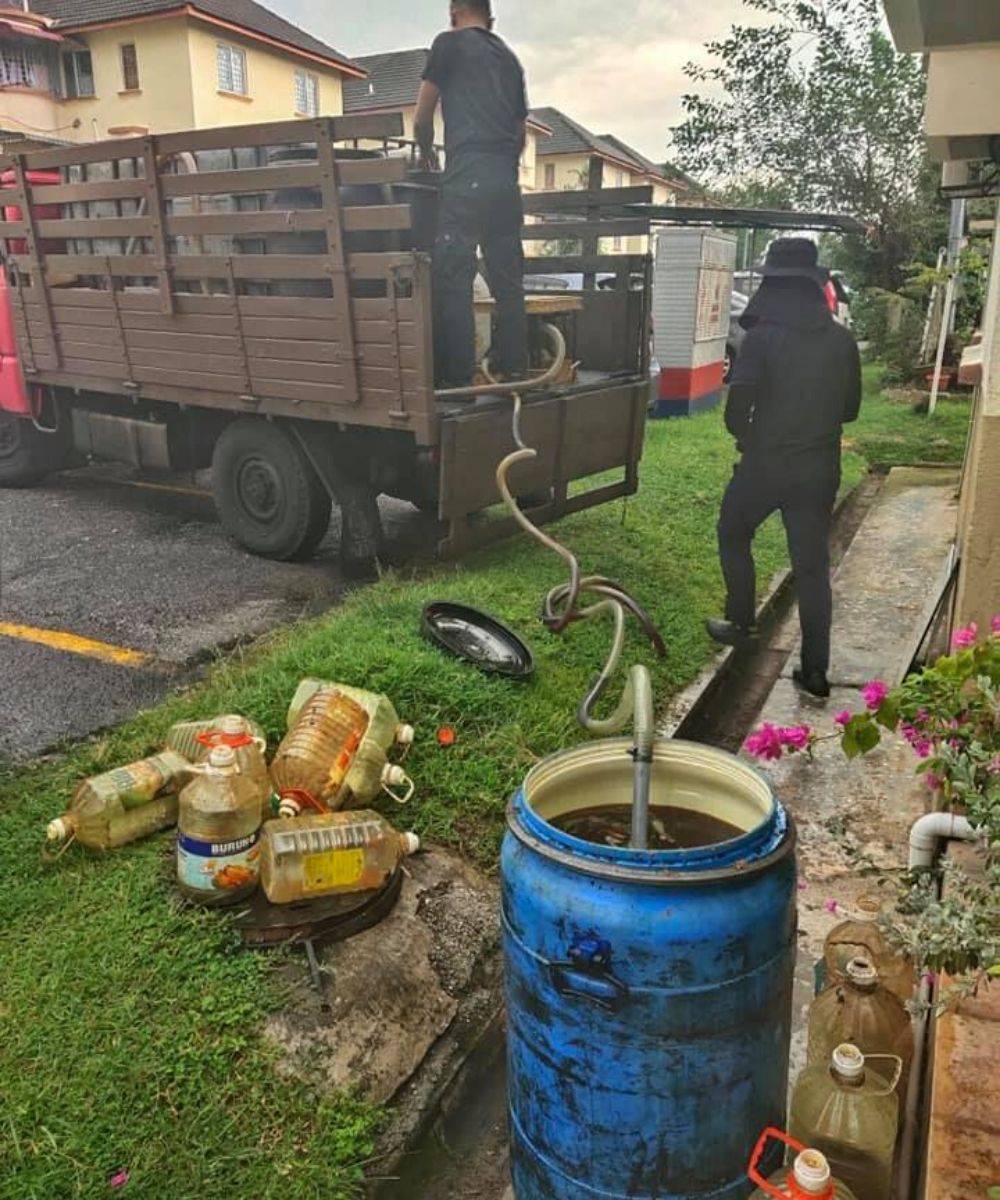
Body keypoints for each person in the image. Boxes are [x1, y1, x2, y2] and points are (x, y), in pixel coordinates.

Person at [707, 238, 862, 699]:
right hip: (818, 470)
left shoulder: (759, 338)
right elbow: (850, 411)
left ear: (772, 285)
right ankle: (815, 673)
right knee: (812, 569)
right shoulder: (842, 340)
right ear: (815, 286)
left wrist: (753, 442)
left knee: (734, 532)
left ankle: (741, 622)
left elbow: (737, 413)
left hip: (764, 466)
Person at [414, 0, 528, 387]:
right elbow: (520, 136)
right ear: (490, 18)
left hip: (466, 177)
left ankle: (457, 381)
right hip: (505, 183)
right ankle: (515, 368)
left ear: (453, 13)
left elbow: (422, 116)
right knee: (508, 278)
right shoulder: (511, 60)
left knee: (454, 274)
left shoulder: (447, 44)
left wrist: (428, 152)